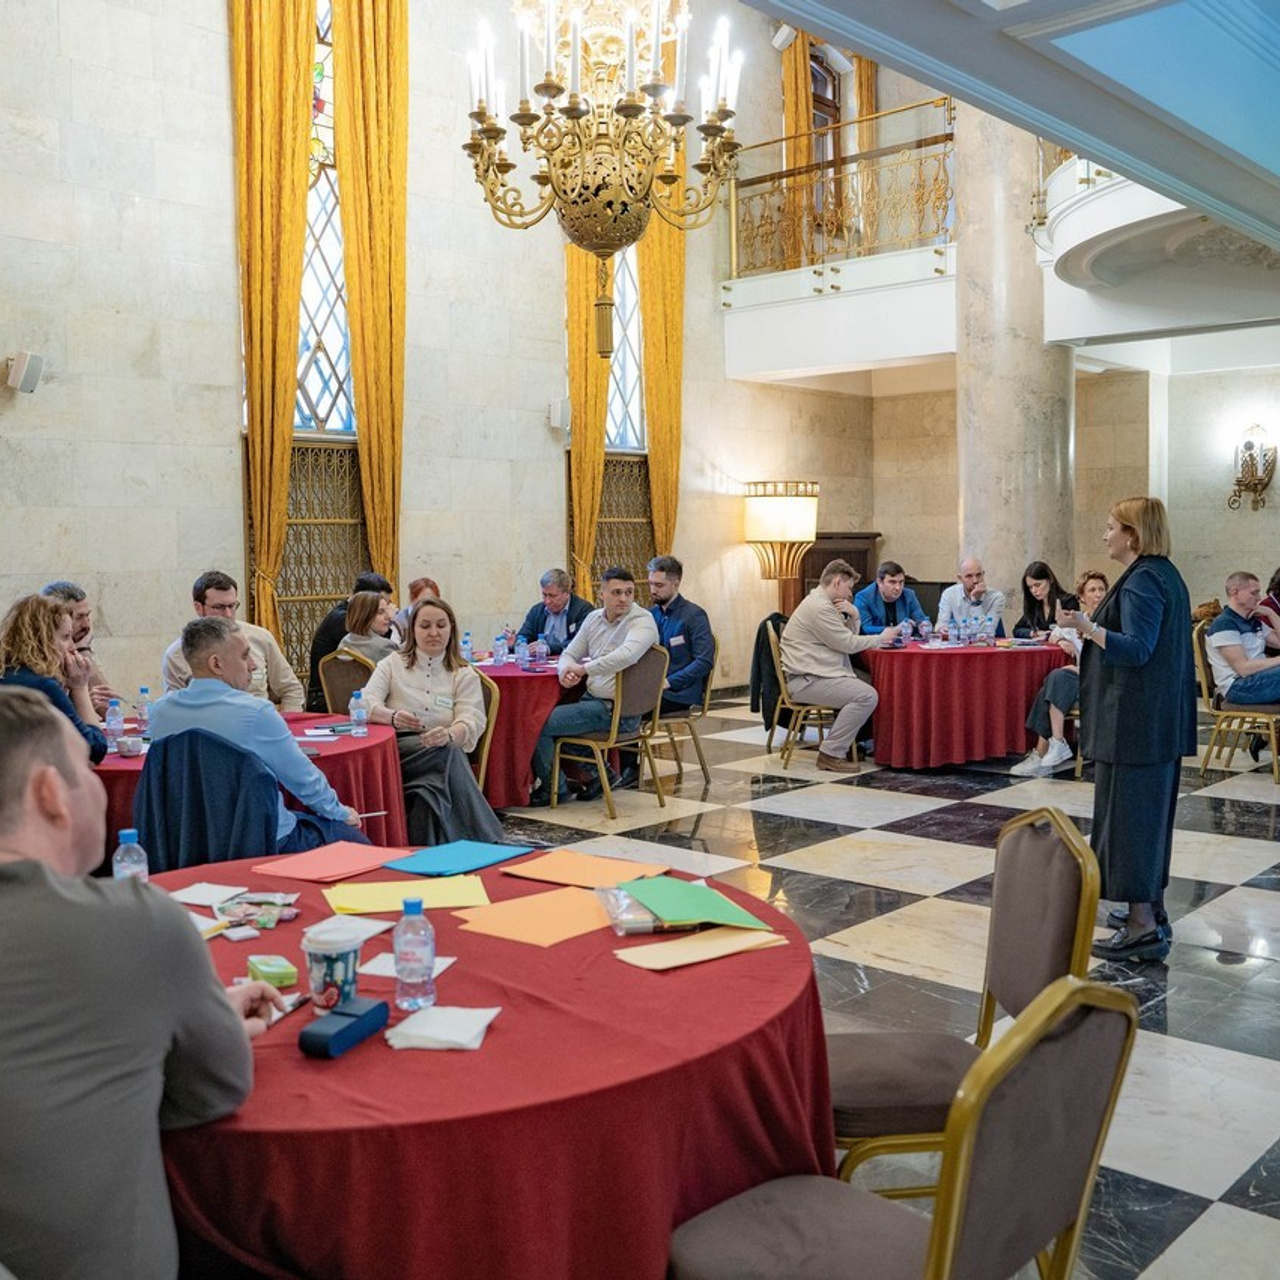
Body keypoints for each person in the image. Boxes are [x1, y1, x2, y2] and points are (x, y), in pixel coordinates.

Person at [0, 685, 284, 1280]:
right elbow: (214, 1089)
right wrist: (200, 1031)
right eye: (86, 769)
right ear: (50, 794)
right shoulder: (134, 922)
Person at [1059, 497, 1195, 963]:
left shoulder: (1144, 580)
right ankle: (1150, 911)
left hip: (1134, 725)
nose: (1104, 536)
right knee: (1145, 822)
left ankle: (1142, 926)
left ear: (1133, 534)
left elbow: (1137, 649)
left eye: (1110, 527)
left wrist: (1086, 626)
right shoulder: (1162, 574)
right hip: (1150, 723)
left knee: (1131, 824)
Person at [150, 617, 368, 853]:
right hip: (263, 840)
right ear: (216, 664)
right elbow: (303, 780)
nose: (253, 665)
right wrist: (340, 813)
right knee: (356, 844)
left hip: (188, 843)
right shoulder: (255, 713)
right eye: (245, 656)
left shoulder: (160, 713)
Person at [362, 597, 505, 843]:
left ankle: (431, 854)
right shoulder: (392, 664)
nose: (434, 633)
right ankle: (488, 840)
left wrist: (448, 734)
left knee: (429, 793)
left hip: (439, 753)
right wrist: (392, 717)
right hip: (398, 751)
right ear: (412, 630)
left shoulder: (463, 673)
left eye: (441, 625)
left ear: (451, 629)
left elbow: (471, 719)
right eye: (425, 626)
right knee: (449, 753)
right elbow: (364, 702)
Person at [529, 567, 660, 805]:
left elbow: (627, 655)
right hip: (593, 701)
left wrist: (584, 669)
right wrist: (564, 673)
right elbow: (570, 653)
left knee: (538, 722)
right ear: (602, 594)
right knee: (552, 718)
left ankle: (554, 789)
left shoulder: (642, 621)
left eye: (629, 592)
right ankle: (601, 775)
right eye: (617, 592)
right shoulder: (594, 618)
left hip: (618, 710)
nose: (624, 598)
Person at [780, 559, 899, 774]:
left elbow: (844, 637)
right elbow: (847, 644)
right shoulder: (820, 608)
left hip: (818, 673)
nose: (850, 594)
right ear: (837, 582)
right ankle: (831, 753)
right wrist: (880, 638)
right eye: (849, 588)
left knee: (878, 683)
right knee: (867, 696)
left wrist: (854, 615)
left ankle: (859, 743)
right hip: (807, 680)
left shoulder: (822, 602)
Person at [1010, 569, 1109, 775]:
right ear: (1082, 597)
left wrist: (1080, 669)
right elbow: (1053, 633)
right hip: (1082, 684)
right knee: (1053, 682)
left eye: (1101, 590)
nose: (1098, 594)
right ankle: (1052, 746)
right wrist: (1061, 640)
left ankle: (1045, 751)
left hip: (1103, 685)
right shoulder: (1077, 622)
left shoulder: (1111, 624)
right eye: (1092, 590)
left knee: (1057, 678)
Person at [163, 570, 305, 711]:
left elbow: (291, 690)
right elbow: (174, 708)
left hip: (258, 718)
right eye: (219, 607)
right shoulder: (177, 654)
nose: (228, 614)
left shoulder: (260, 638)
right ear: (199, 608)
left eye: (232, 606)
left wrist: (285, 721)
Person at [1, 593, 107, 763]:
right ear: (41, 640)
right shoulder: (42, 684)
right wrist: (80, 687)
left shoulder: (9, 672)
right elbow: (94, 748)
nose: (72, 646)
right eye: (65, 637)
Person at [306, 571, 396, 711]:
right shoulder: (341, 620)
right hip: (327, 701)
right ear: (366, 605)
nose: (388, 613)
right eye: (381, 610)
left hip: (341, 703)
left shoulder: (347, 638)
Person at [40, 579, 123, 714]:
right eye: (78, 617)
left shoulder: (81, 646)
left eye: (87, 615)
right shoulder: (42, 660)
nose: (86, 625)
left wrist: (84, 651)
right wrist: (83, 704)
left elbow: (108, 709)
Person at [1205, 571, 1280, 706]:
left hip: (1259, 678)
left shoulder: (1253, 620)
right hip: (1238, 687)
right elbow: (1243, 669)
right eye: (1254, 593)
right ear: (1235, 592)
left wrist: (1271, 613)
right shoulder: (1225, 624)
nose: (1259, 598)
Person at [515, 568, 594, 656]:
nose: (547, 601)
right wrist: (514, 642)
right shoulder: (537, 611)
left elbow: (581, 643)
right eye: (544, 595)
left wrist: (550, 648)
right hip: (540, 661)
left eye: (552, 596)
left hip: (570, 661)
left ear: (567, 593)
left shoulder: (583, 610)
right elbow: (524, 636)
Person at [936, 556, 1006, 637]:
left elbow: (985, 634)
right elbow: (941, 624)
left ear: (983, 574)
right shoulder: (949, 594)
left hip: (987, 644)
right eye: (969, 576)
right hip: (960, 641)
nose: (975, 580)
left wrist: (975, 602)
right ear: (960, 578)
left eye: (978, 575)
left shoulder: (996, 597)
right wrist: (942, 629)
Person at [853, 560, 928, 635]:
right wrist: (896, 629)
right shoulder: (863, 598)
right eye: (892, 582)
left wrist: (924, 625)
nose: (898, 588)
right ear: (879, 582)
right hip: (877, 641)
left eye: (901, 582)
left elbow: (921, 619)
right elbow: (865, 628)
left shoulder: (909, 595)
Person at [1012, 561, 1075, 638]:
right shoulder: (1034, 604)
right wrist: (1035, 633)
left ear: (1050, 580)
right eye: (1030, 587)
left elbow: (1072, 631)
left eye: (1037, 585)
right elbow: (1017, 629)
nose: (1034, 591)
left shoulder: (1068, 601)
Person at [338, 589, 398, 665]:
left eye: (387, 611)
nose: (388, 617)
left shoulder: (344, 642)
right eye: (381, 612)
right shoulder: (385, 647)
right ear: (364, 617)